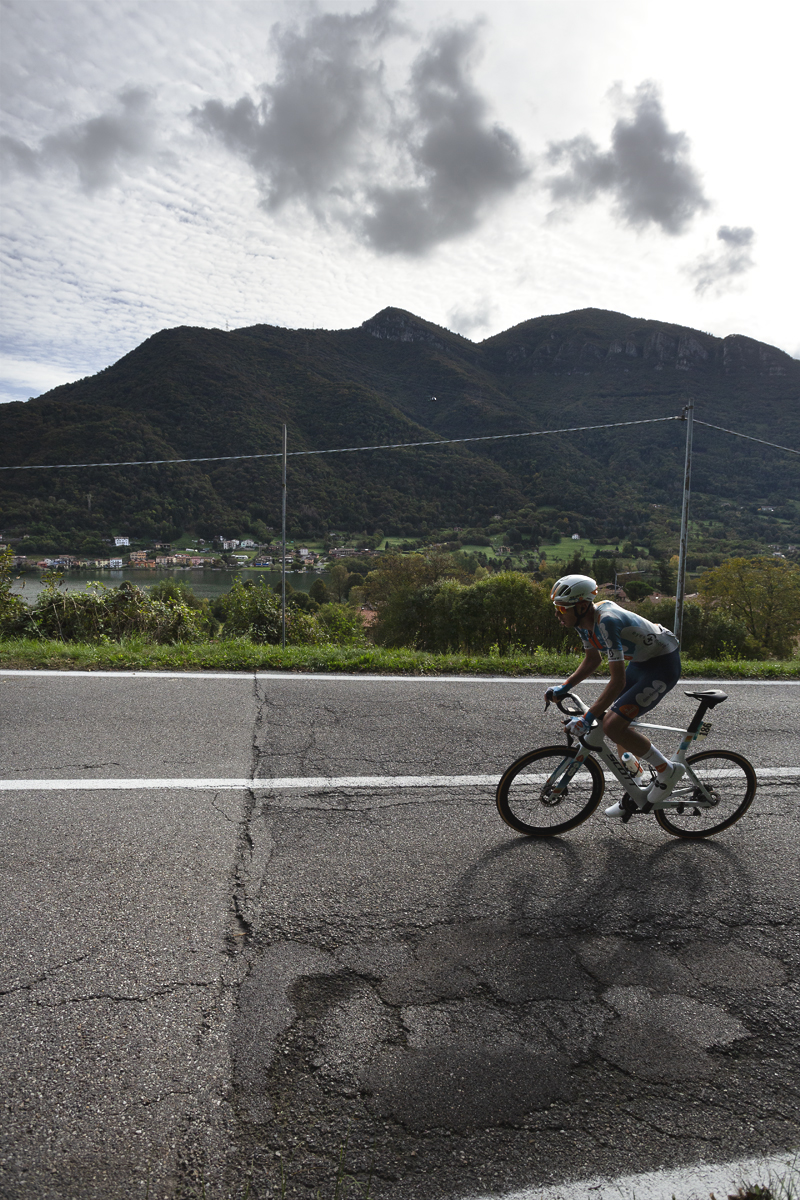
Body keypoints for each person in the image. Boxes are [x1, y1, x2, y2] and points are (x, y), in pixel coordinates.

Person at [544, 574, 682, 818]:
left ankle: (666, 770)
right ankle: (638, 790)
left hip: (662, 664)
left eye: (561, 609)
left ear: (582, 606)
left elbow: (617, 681)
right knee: (612, 719)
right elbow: (592, 660)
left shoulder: (607, 622)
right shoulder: (583, 623)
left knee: (613, 724)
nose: (557, 615)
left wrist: (586, 718)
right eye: (556, 609)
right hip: (642, 663)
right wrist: (564, 687)